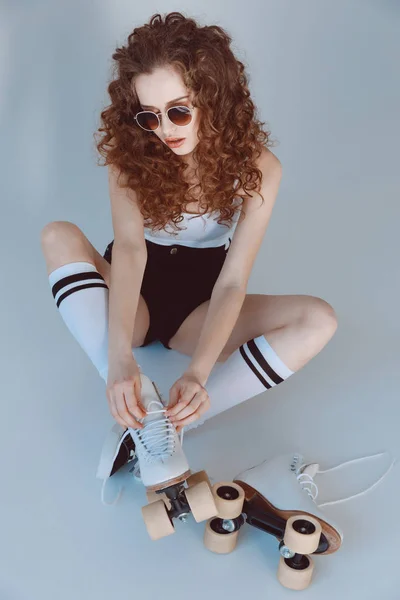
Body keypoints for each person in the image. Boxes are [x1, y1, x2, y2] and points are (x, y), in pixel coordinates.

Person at [41, 12, 337, 464]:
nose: (166, 129)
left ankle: (179, 420)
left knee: (319, 320)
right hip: (134, 292)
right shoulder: (130, 160)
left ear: (212, 98)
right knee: (56, 235)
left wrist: (198, 371)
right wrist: (120, 359)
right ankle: (129, 393)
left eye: (178, 110)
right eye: (150, 116)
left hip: (199, 310)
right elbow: (131, 251)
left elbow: (234, 281)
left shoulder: (260, 168)